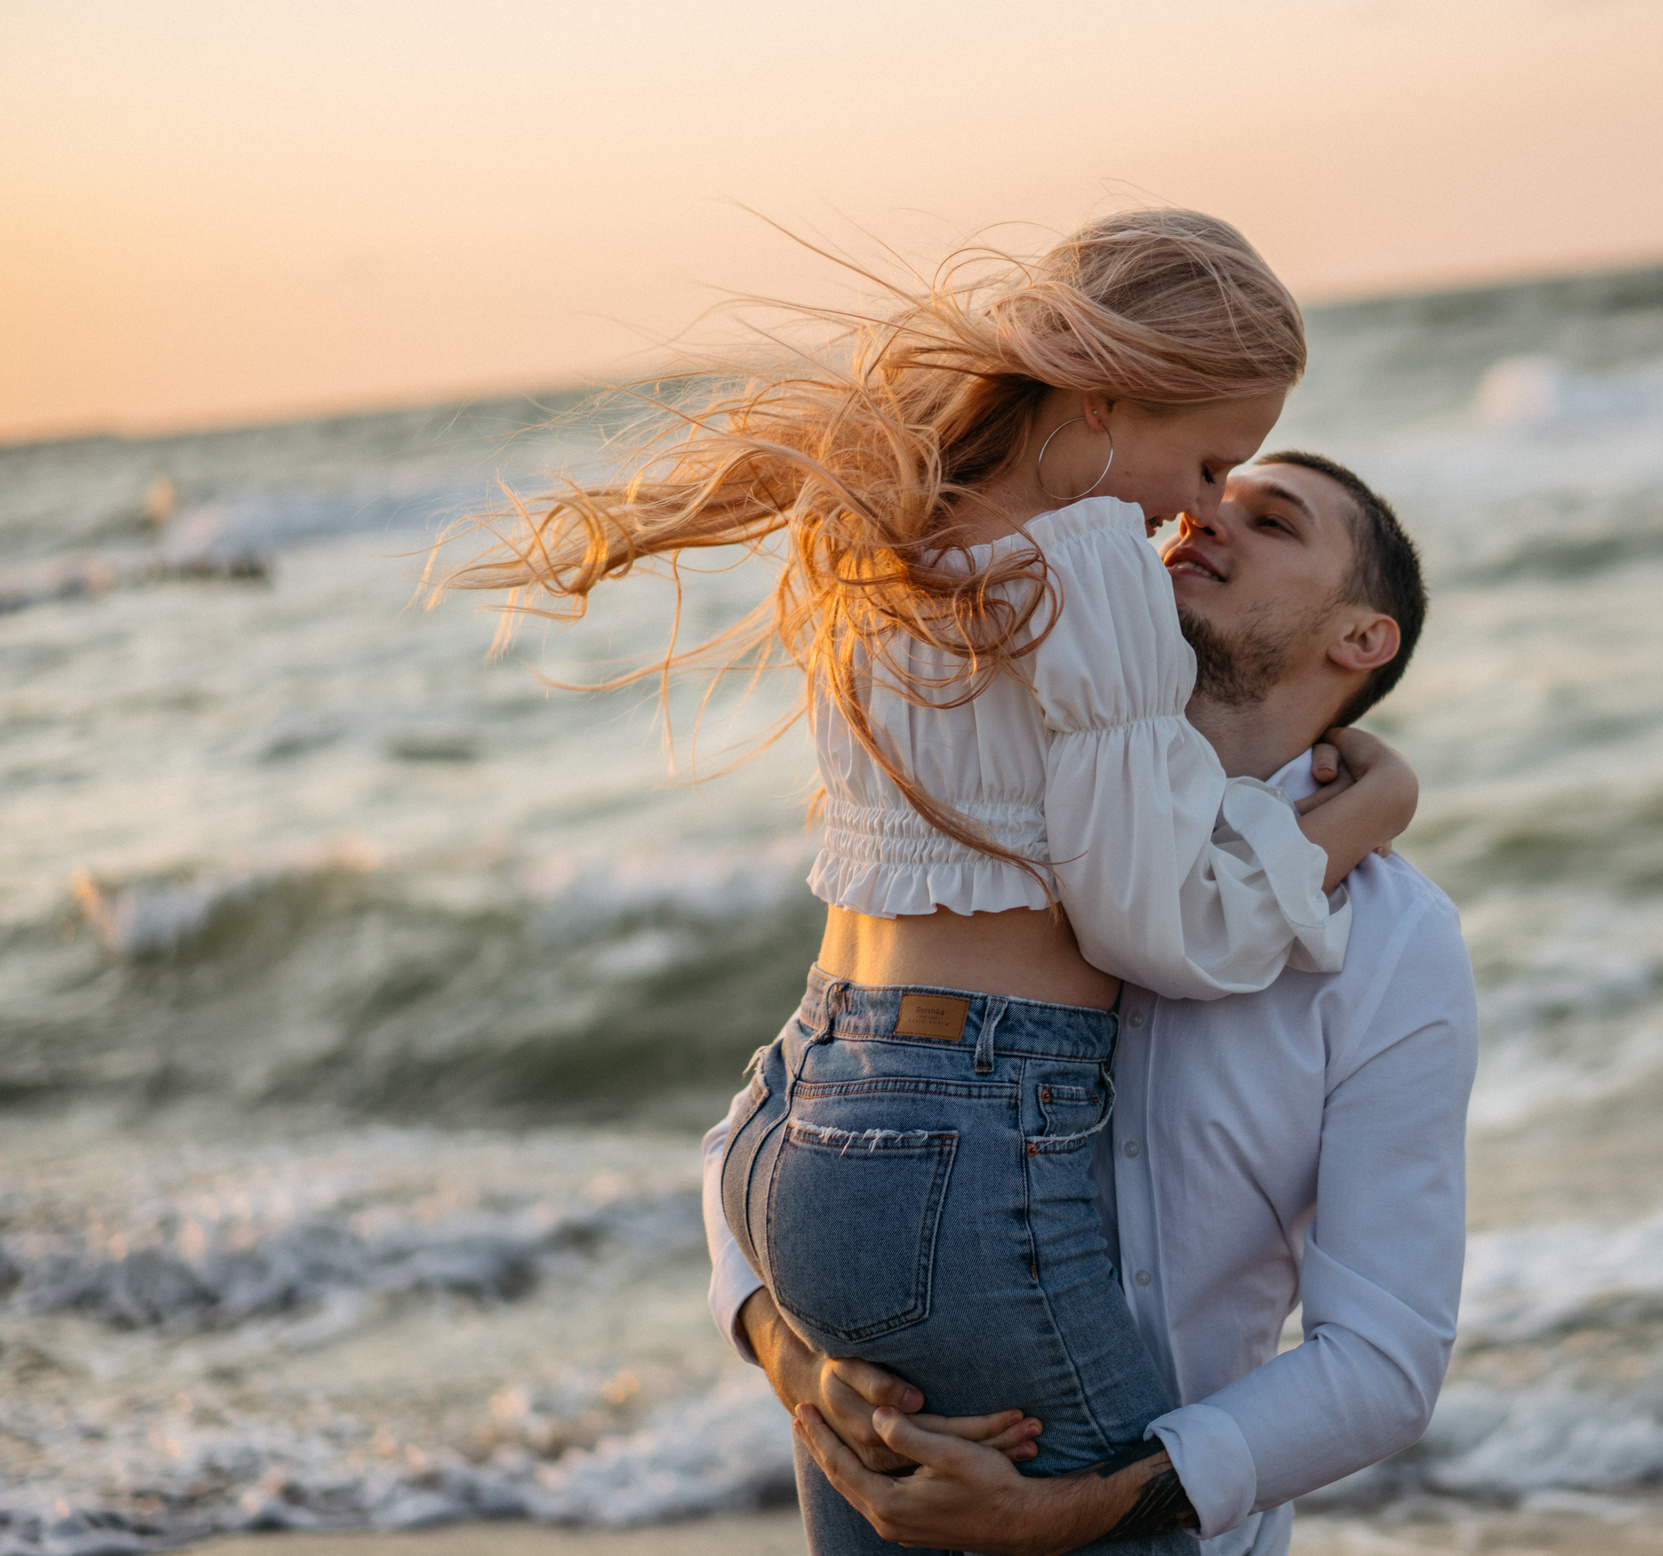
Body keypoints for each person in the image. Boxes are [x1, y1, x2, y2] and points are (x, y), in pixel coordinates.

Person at [447, 215, 1421, 1555]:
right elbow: (1158, 930)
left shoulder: (892, 527)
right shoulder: (1097, 585)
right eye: (1205, 462)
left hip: (802, 1106)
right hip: (961, 1142)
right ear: (1101, 395)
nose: (1192, 510)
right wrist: (1360, 816)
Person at [702, 453, 1478, 1556]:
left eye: (1271, 519)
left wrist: (1073, 1509)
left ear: (1361, 637)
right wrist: (795, 1362)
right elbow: (772, 1117)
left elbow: (1385, 1362)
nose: (1204, 515)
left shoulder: (1390, 939)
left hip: (1155, 1523)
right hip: (888, 1482)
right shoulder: (1000, 819)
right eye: (1212, 489)